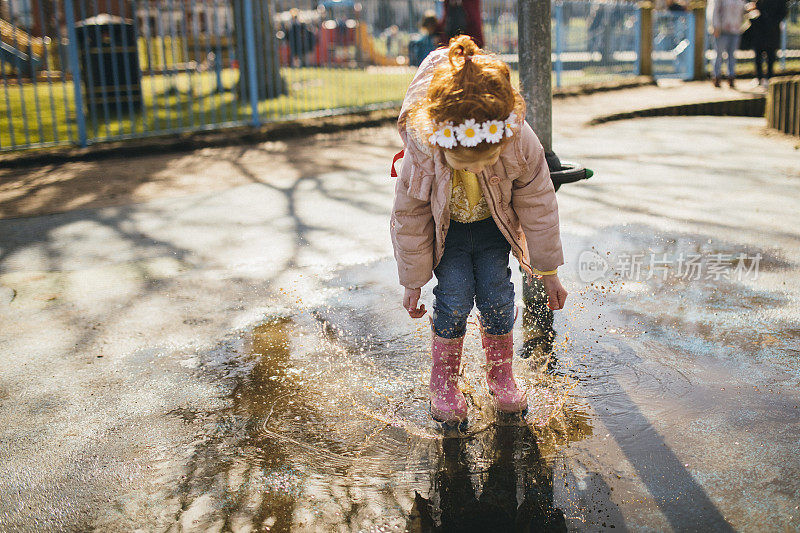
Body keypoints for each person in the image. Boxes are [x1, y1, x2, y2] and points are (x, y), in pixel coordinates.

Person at [390, 36, 568, 429]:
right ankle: (445, 382)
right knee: (453, 298)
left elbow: (538, 202)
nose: (473, 170)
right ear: (441, 139)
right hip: (448, 235)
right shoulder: (424, 148)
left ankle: (501, 375)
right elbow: (410, 216)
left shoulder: (515, 138)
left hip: (492, 228)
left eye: (483, 162)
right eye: (464, 163)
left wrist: (548, 269)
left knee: (498, 296)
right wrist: (413, 281)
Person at [746, 0, 788, 87]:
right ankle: (759, 77)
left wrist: (772, 22)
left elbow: (783, 12)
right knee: (758, 55)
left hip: (772, 32)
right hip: (759, 31)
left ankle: (769, 78)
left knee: (771, 56)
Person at [710, 0, 747, 87]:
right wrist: (715, 26)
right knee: (719, 54)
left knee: (732, 54)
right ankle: (717, 76)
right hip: (722, 30)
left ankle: (731, 76)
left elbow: (743, 10)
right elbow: (714, 11)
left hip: (736, 29)